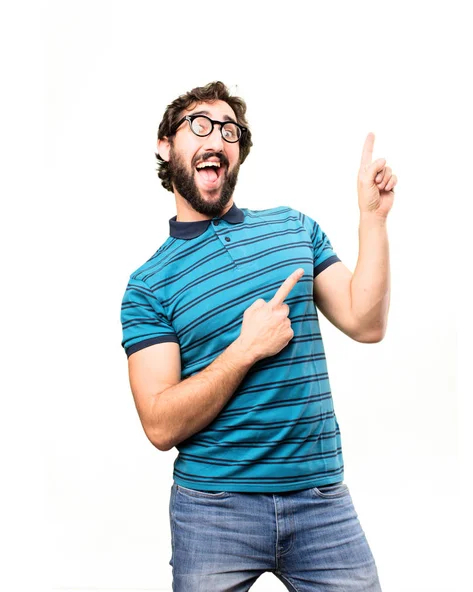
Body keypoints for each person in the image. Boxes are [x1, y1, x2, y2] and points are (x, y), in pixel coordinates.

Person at [120, 81, 397, 591]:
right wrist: (245, 350)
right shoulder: (148, 287)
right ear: (165, 144)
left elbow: (367, 321)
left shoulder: (293, 228)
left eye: (230, 131)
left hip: (321, 501)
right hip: (212, 513)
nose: (217, 139)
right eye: (199, 125)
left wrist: (372, 219)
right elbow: (159, 425)